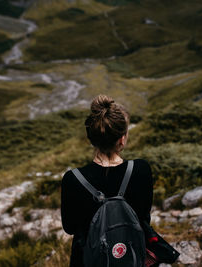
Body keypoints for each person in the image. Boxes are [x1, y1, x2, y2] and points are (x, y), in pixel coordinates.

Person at [61, 95, 154, 267]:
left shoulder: (72, 179)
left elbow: (70, 228)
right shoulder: (141, 169)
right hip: (130, 256)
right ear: (122, 138)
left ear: (91, 139)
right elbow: (144, 217)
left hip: (87, 260)